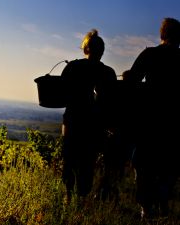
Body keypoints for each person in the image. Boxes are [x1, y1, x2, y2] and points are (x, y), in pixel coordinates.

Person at [124, 17, 180, 218]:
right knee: (169, 168)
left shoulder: (150, 54)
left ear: (162, 34)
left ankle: (146, 209)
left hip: (149, 123)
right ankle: (163, 205)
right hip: (174, 125)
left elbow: (132, 83)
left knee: (144, 166)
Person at [60, 29, 117, 201]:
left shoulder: (73, 67)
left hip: (72, 120)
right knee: (87, 163)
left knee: (69, 159)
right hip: (95, 125)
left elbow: (62, 93)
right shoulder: (108, 73)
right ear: (102, 51)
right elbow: (111, 101)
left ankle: (68, 196)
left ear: (86, 49)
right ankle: (81, 198)